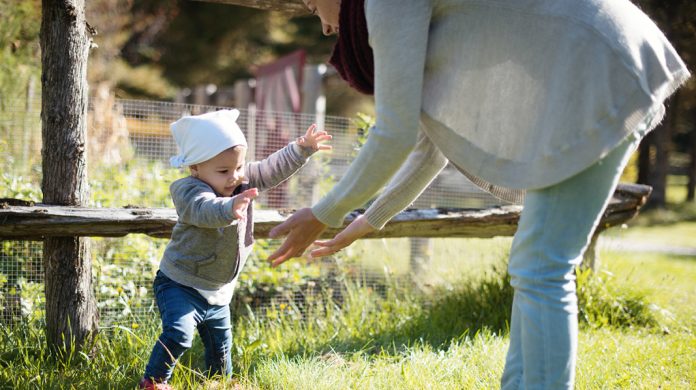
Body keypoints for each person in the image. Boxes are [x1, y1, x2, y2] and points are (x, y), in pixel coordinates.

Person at [267, 0, 690, 388]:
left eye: (309, 3)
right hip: (602, 56)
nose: (322, 26)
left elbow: (392, 135)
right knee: (537, 264)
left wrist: (323, 213)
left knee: (542, 266)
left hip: (595, 61)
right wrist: (366, 220)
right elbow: (428, 147)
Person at [138, 109, 331, 389]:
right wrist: (230, 207)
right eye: (224, 171)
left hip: (218, 290)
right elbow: (205, 209)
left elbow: (269, 169)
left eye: (238, 168)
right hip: (180, 283)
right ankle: (154, 381)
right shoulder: (187, 190)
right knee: (179, 334)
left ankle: (219, 383)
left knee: (222, 351)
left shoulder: (240, 179)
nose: (234, 177)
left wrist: (301, 149)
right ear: (195, 168)